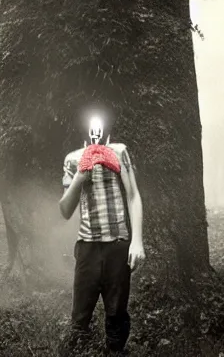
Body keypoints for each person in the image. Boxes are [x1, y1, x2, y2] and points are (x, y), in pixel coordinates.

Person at [59, 116, 145, 355]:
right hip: (87, 247)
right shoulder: (73, 159)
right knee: (79, 318)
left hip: (118, 245)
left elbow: (133, 195)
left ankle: (115, 351)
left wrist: (137, 241)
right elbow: (65, 210)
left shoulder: (119, 152)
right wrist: (80, 176)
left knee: (116, 316)